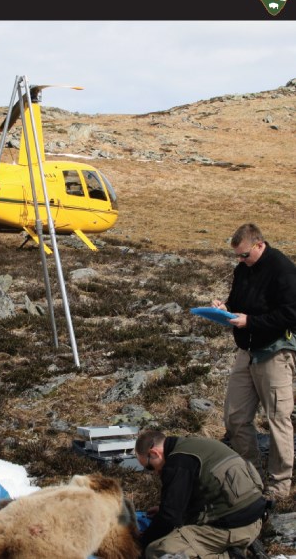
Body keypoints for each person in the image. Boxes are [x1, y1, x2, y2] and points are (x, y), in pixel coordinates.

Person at [212, 223, 296, 499]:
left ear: (260, 245)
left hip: (275, 352)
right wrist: (225, 310)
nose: (240, 260)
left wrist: (252, 321)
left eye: (245, 255)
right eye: (237, 256)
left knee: (278, 419)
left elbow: (291, 313)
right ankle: (251, 475)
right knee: (235, 417)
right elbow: (238, 302)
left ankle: (279, 484)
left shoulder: (282, 269)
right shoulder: (242, 269)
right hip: (246, 351)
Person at [135, 430, 266, 559]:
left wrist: (140, 544)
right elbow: (207, 490)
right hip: (255, 521)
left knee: (156, 550)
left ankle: (230, 555)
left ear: (154, 453)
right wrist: (163, 510)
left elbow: (169, 518)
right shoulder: (194, 446)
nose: (154, 472)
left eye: (149, 467)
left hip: (234, 529)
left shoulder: (177, 463)